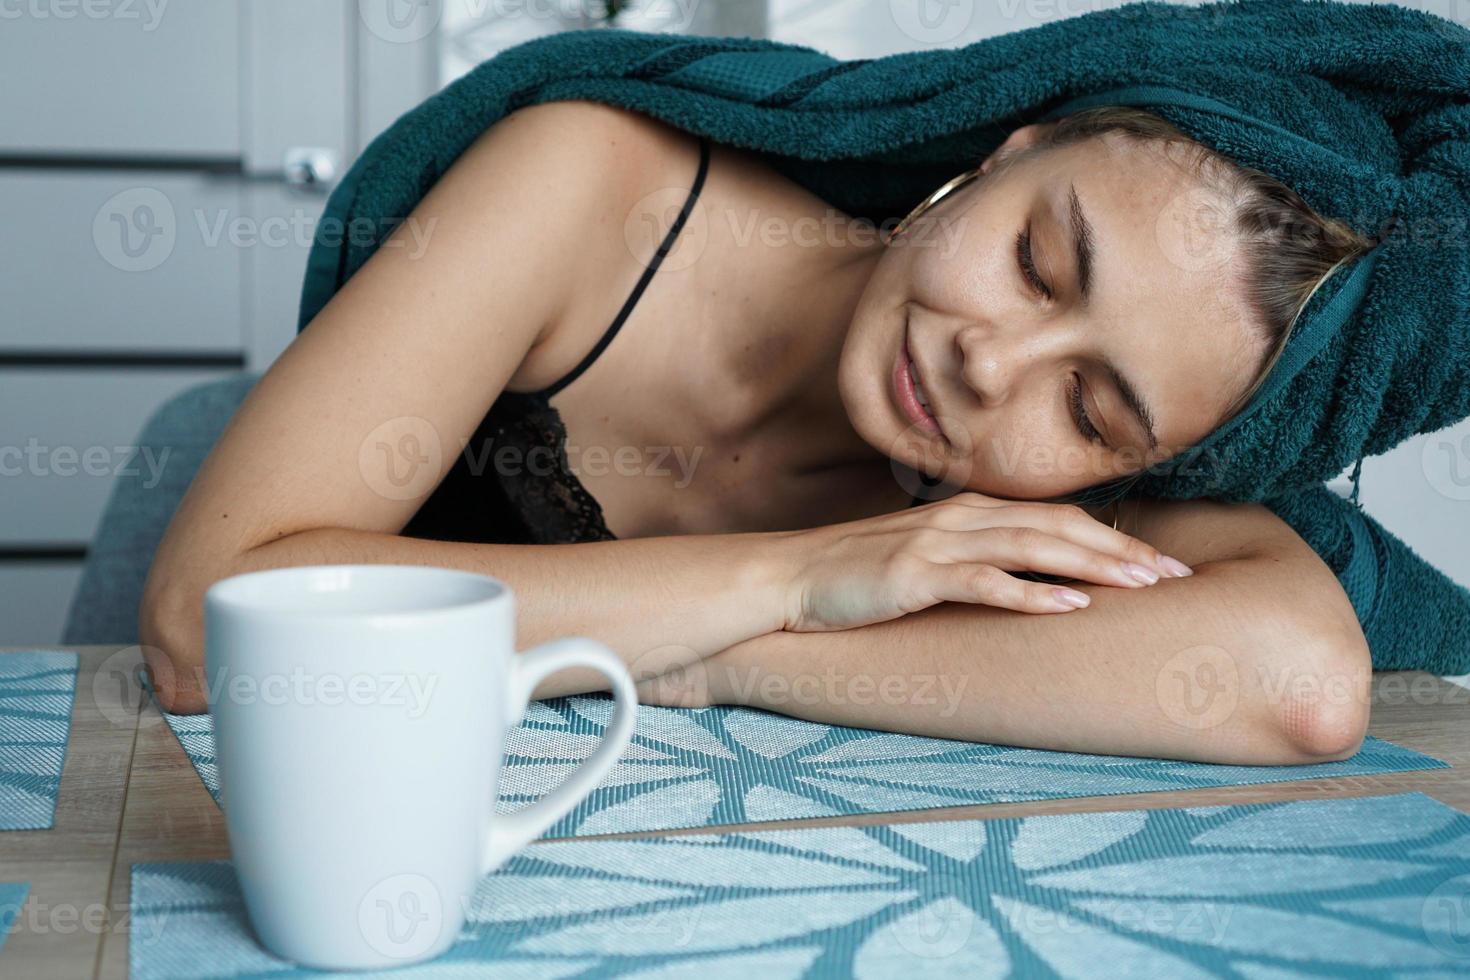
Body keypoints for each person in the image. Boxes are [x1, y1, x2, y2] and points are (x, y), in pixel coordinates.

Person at [138, 98, 1374, 765]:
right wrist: (791, 574)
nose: (991, 363)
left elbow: (1303, 683)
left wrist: (724, 658)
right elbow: (207, 627)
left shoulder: (1048, 497)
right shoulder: (587, 188)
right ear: (1005, 151)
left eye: (1090, 408)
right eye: (1035, 260)